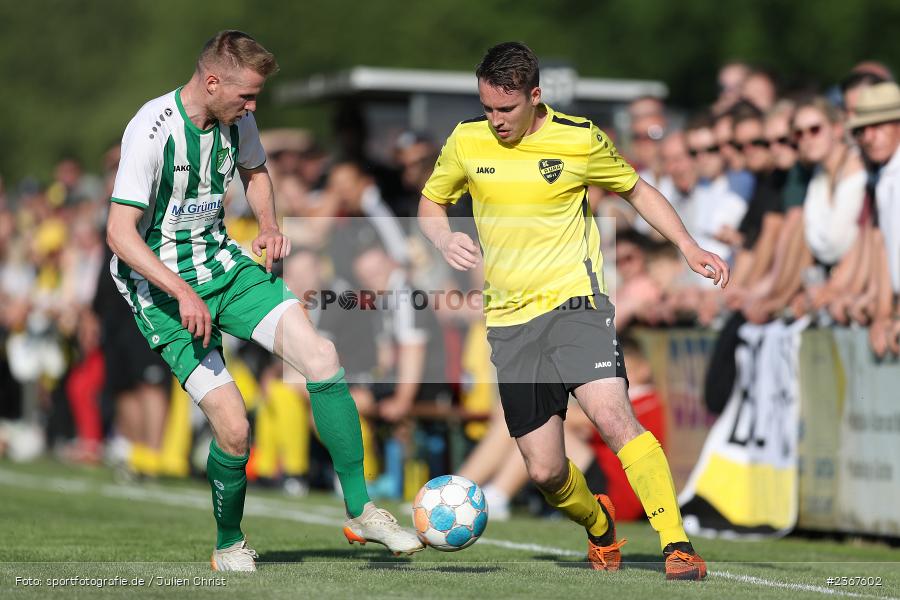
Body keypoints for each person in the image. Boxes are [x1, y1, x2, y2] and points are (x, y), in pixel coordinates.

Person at [104, 30, 422, 572]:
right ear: (211, 82)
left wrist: (271, 225)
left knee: (321, 358)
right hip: (161, 291)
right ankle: (229, 543)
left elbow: (256, 172)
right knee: (234, 426)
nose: (253, 109)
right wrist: (181, 291)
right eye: (246, 96)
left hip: (226, 267)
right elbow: (119, 234)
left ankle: (363, 508)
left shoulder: (238, 120)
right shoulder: (151, 131)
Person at [418, 42, 728, 580]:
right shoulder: (466, 141)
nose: (495, 121)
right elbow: (430, 202)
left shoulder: (580, 139)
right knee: (544, 469)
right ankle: (599, 524)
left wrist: (689, 246)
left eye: (505, 110)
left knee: (614, 418)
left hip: (575, 306)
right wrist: (443, 238)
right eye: (487, 108)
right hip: (510, 325)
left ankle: (676, 545)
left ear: (534, 97)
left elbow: (638, 190)